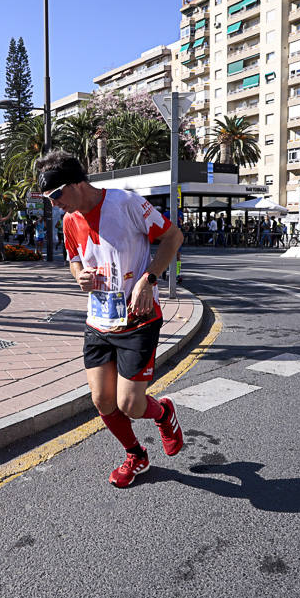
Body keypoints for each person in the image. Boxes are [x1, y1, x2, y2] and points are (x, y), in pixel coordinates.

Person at [37, 151, 185, 488]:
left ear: (77, 183)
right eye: (47, 198)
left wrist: (149, 279)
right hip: (99, 322)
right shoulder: (69, 220)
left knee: (130, 404)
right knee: (102, 400)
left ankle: (163, 413)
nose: (53, 204)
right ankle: (136, 454)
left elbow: (173, 237)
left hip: (139, 319)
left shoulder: (126, 204)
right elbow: (74, 259)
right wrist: (79, 277)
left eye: (56, 195)